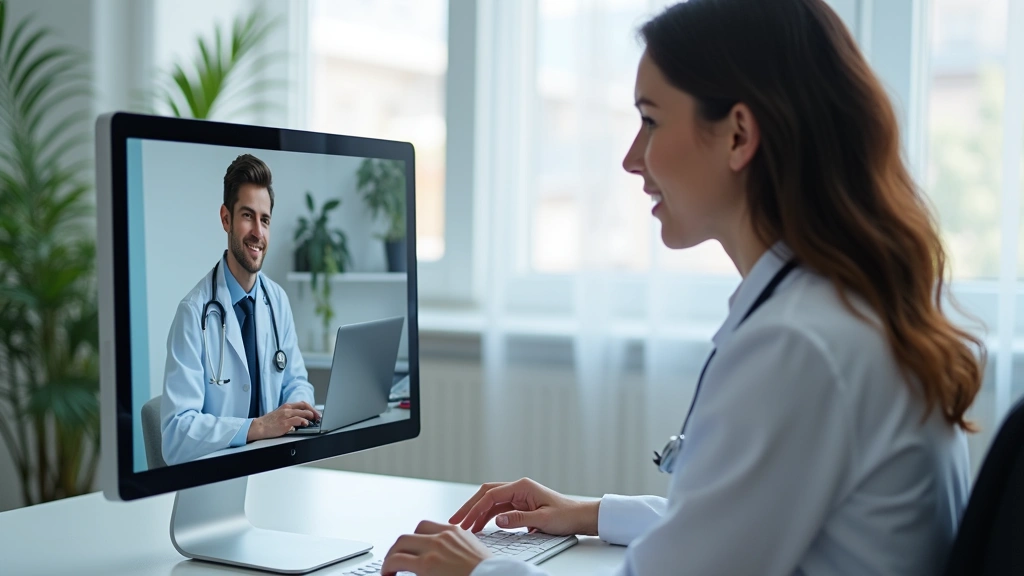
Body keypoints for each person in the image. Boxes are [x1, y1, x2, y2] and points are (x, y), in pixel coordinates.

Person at [380, 0, 984, 574]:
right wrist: (591, 513)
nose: (630, 158)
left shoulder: (797, 343)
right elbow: (752, 519)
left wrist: (483, 570)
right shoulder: (840, 309)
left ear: (739, 135)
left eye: (650, 120)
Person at [160, 154, 320, 465]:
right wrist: (258, 427)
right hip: (218, 479)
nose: (258, 233)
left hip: (276, 470)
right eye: (247, 216)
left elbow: (296, 381)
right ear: (225, 219)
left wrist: (293, 415)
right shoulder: (193, 314)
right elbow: (176, 435)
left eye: (265, 220)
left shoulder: (277, 301)